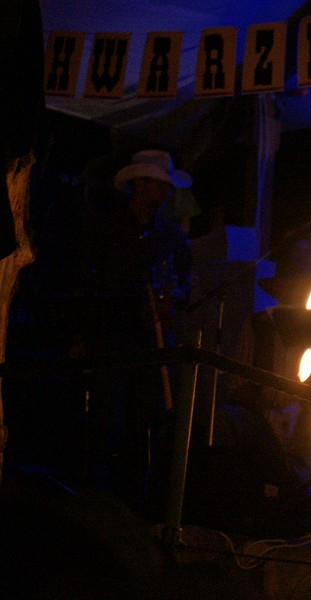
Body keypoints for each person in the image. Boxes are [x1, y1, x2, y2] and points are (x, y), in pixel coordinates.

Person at [81, 149, 192, 511]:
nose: (165, 193)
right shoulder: (106, 226)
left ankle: (135, 502)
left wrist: (174, 294)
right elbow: (88, 280)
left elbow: (185, 285)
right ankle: (96, 499)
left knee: (144, 420)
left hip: (152, 343)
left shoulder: (171, 235)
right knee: (104, 419)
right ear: (139, 184)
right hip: (113, 337)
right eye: (160, 185)